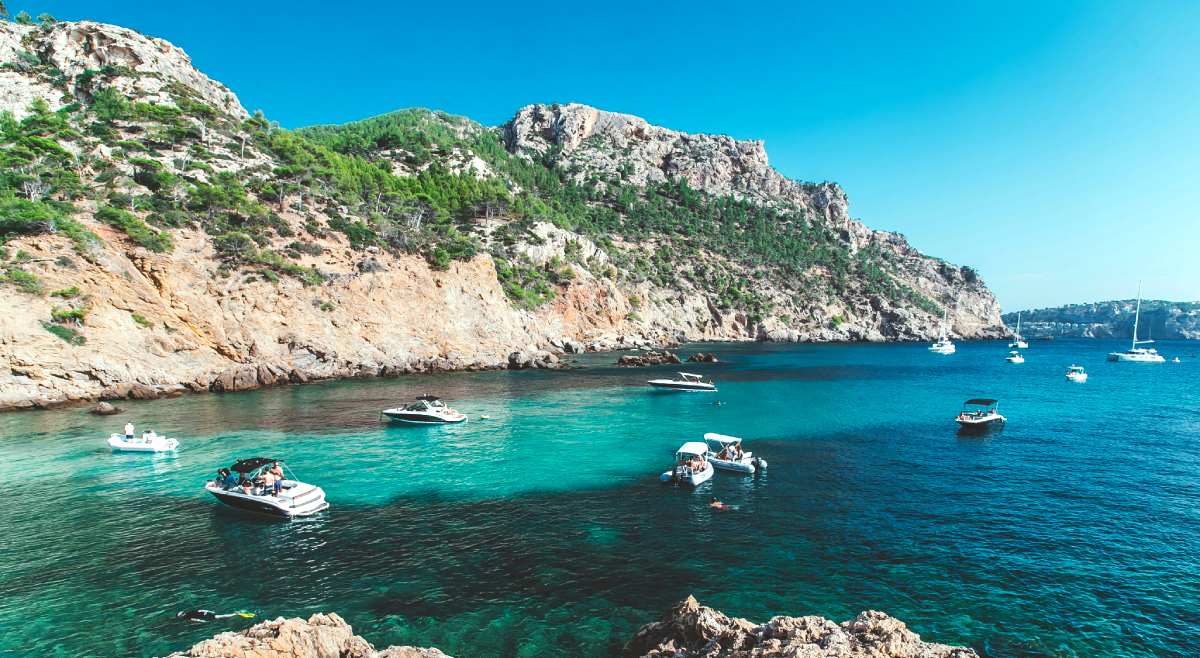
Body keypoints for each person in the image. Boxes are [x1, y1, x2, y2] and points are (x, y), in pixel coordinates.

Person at [176, 609, 256, 623]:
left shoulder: (187, 617)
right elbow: (201, 610)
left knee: (222, 616)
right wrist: (210, 611)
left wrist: (203, 621)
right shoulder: (190, 611)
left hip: (207, 617)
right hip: (208, 613)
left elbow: (195, 619)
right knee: (221, 616)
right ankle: (235, 614)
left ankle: (236, 614)